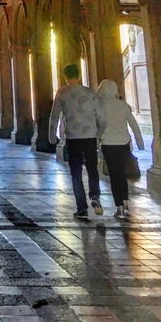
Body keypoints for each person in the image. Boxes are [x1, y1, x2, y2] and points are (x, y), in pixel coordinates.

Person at [49, 64, 106, 219]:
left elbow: (54, 116)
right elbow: (101, 116)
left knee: (76, 172)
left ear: (65, 77)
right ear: (79, 75)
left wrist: (52, 136)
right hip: (90, 137)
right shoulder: (90, 93)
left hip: (73, 137)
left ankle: (81, 207)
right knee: (92, 168)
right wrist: (99, 132)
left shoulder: (62, 93)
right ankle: (95, 196)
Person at [97, 79, 144, 219]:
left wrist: (98, 139)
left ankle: (119, 206)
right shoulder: (123, 105)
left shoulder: (100, 106)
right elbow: (134, 125)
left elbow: (99, 126)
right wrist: (140, 143)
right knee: (122, 174)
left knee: (114, 174)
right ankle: (125, 201)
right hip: (123, 144)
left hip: (108, 145)